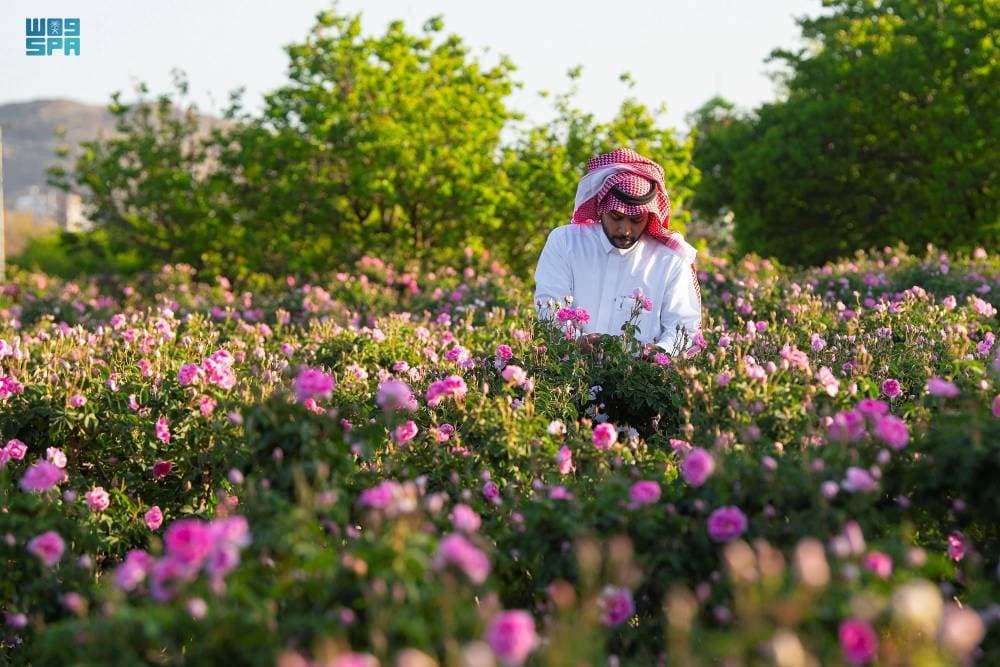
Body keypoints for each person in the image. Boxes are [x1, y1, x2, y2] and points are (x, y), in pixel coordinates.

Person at [533, 147, 703, 359]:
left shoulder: (670, 260)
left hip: (641, 385)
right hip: (570, 379)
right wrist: (576, 342)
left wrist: (658, 353)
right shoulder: (565, 242)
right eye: (616, 217)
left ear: (649, 216)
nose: (625, 230)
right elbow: (549, 306)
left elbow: (684, 327)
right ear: (602, 207)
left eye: (636, 220)